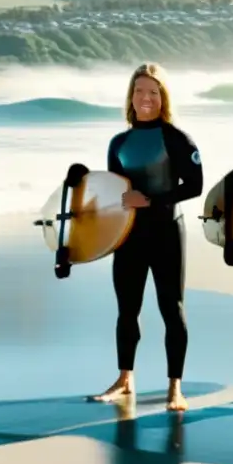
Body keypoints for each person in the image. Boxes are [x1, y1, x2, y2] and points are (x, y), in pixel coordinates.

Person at [92, 63, 203, 412]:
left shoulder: (176, 138)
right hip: (128, 236)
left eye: (153, 92)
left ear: (162, 97)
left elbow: (195, 186)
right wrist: (117, 203)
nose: (146, 98)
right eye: (140, 91)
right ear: (131, 96)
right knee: (127, 309)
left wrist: (152, 200)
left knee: (172, 308)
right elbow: (112, 189)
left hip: (167, 231)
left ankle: (175, 387)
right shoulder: (119, 142)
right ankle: (125, 379)